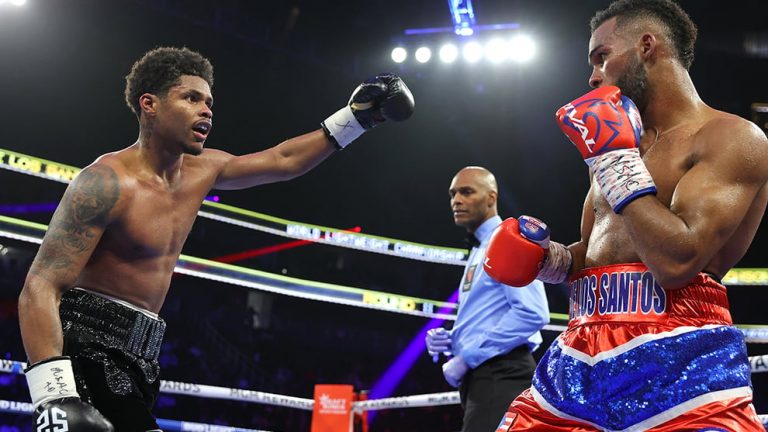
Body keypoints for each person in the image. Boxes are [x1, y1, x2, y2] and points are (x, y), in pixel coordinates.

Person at [17, 46, 414, 431]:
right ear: (149, 104)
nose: (206, 110)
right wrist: (54, 397)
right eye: (191, 98)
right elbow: (41, 285)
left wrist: (357, 117)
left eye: (208, 102)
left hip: (143, 354)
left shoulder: (202, 170)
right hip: (87, 346)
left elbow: (284, 161)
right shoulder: (105, 182)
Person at [483, 1, 768, 431]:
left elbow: (677, 262)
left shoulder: (731, 137)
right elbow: (596, 252)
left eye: (602, 56)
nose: (593, 75)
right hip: (580, 350)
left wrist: (614, 159)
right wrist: (547, 260)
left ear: (647, 46)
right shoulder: (619, 146)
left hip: (680, 354)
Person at [425, 166, 549, 432]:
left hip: (501, 373)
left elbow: (533, 313)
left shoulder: (509, 240)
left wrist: (467, 356)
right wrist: (453, 339)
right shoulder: (482, 247)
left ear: (491, 198)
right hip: (488, 376)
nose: (456, 200)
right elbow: (490, 314)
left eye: (466, 192)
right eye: (453, 193)